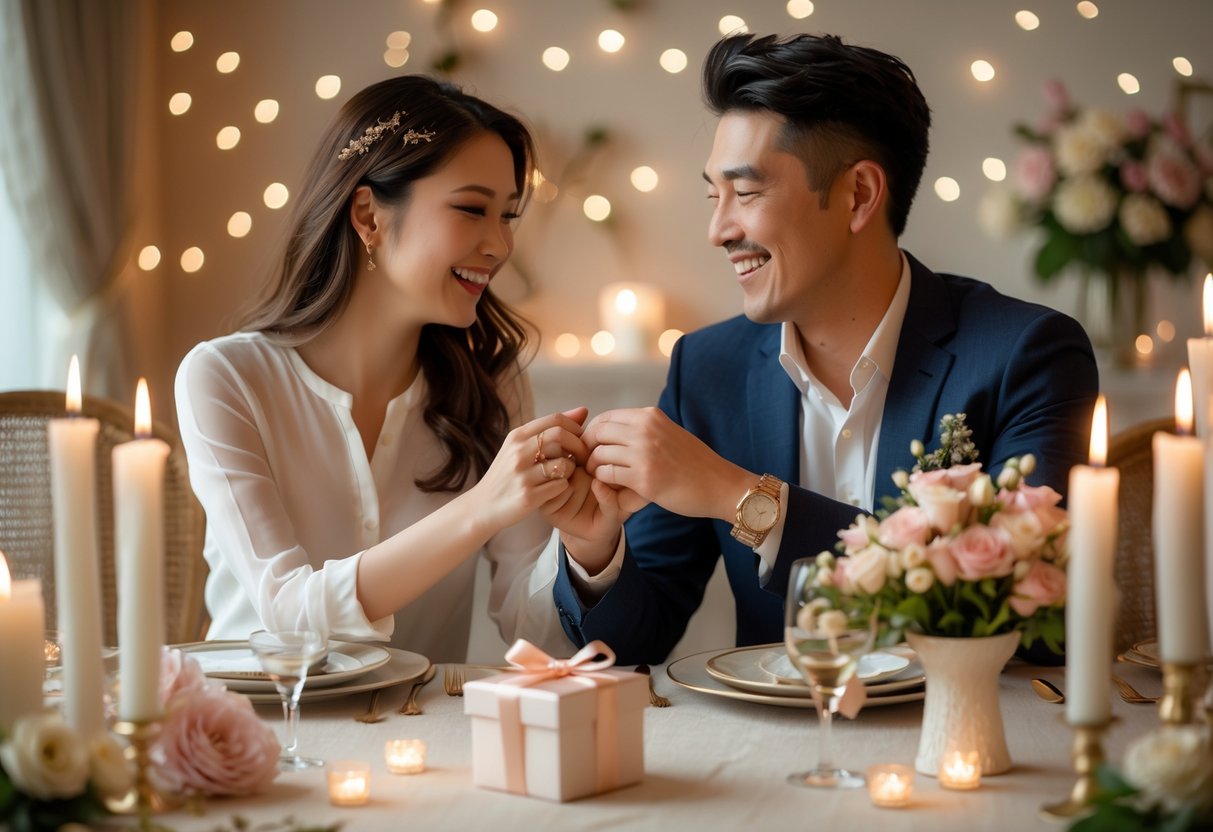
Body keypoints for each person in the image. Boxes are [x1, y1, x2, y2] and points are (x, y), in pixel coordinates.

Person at [548, 33, 1099, 665]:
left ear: (859, 195)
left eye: (746, 193)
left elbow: (1025, 617)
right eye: (713, 196)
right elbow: (633, 641)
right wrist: (595, 551)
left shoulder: (1025, 356)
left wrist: (740, 497)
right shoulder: (707, 368)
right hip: (768, 759)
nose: (718, 230)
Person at [175, 75, 604, 662]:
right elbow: (290, 614)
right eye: (472, 209)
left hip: (426, 742)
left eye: (507, 215)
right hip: (266, 736)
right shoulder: (225, 378)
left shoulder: (492, 384)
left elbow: (537, 638)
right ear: (368, 215)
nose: (500, 245)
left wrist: (585, 545)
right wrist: (482, 505)